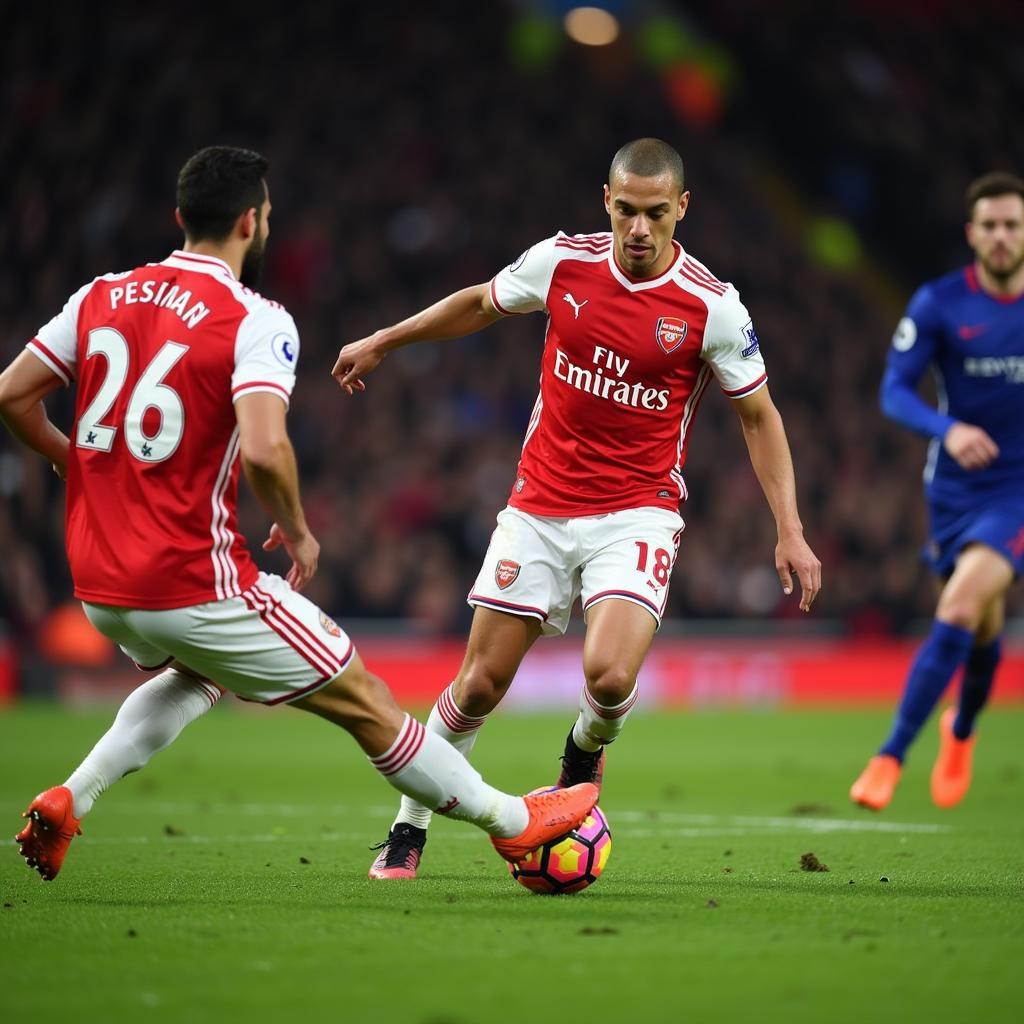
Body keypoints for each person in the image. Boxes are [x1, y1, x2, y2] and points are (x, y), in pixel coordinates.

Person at [0, 145, 597, 881]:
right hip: (193, 580)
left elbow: (11, 395)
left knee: (198, 677)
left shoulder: (100, 295)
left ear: (182, 216)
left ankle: (70, 797)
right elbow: (263, 447)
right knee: (366, 701)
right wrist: (300, 525)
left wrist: (71, 461)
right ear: (252, 220)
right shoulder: (255, 319)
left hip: (97, 583)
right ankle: (514, 821)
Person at [332, 137, 822, 880]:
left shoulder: (711, 306)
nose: (638, 229)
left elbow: (759, 416)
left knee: (611, 678)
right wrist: (386, 339)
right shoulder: (562, 262)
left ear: (681, 209)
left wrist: (789, 527)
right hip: (539, 505)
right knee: (477, 687)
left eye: (656, 214)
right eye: (625, 210)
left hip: (637, 512)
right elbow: (478, 304)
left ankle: (581, 757)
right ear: (606, 199)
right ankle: (409, 827)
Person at [850, 171, 1024, 811]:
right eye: (992, 225)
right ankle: (963, 726)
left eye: (1013, 224)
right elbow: (894, 390)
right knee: (981, 625)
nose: (1002, 236)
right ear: (973, 233)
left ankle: (889, 756)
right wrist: (947, 430)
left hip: (1018, 490)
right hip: (952, 491)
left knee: (956, 607)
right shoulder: (940, 302)